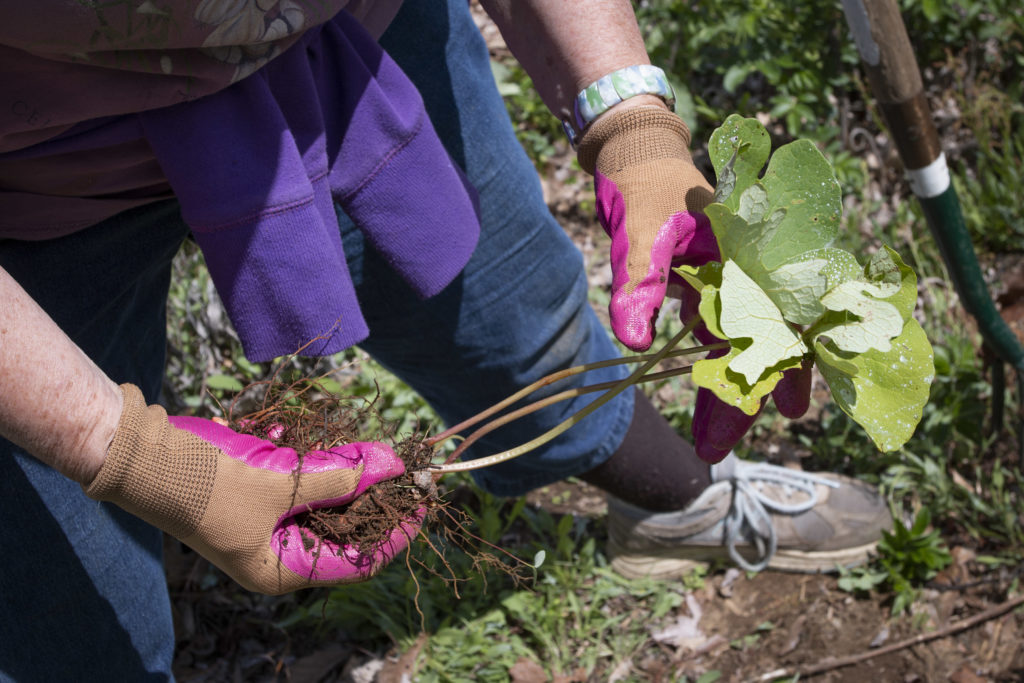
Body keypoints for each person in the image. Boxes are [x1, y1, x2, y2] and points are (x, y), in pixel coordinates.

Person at [0, 0, 891, 679]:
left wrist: (634, 124)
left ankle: (674, 499)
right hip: (33, 174)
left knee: (505, 307)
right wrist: (127, 453)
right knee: (67, 624)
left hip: (354, 56)